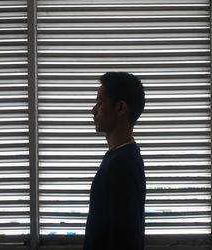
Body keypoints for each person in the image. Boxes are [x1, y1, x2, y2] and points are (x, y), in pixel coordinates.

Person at [83, 72, 146, 250]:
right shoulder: (118, 157)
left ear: (120, 108)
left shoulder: (123, 164)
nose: (93, 110)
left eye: (100, 102)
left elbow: (125, 239)